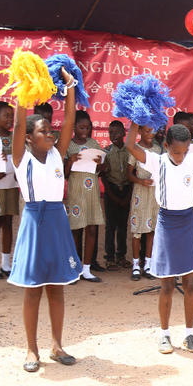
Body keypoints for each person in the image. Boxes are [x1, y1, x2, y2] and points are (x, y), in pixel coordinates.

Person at [125, 118, 193, 354]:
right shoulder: (156, 160)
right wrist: (134, 119)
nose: (180, 157)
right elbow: (131, 147)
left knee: (190, 282)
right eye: (176, 151)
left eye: (184, 152)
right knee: (167, 284)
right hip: (166, 222)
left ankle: (190, 334)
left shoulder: (192, 161)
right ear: (166, 146)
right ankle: (164, 335)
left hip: (186, 222)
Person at [10, 69, 82, 372]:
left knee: (57, 287)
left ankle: (56, 345)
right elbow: (17, 123)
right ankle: (31, 350)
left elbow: (68, 120)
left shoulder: (57, 153)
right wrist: (25, 88)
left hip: (56, 221)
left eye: (51, 131)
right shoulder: (20, 157)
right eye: (43, 131)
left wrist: (69, 87)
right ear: (28, 138)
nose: (51, 134)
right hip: (34, 221)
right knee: (33, 288)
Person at [65, 110, 105, 282]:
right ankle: (74, 268)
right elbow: (64, 174)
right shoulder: (67, 145)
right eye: (81, 127)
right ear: (74, 127)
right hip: (75, 192)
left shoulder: (94, 143)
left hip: (92, 192)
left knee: (91, 228)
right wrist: (70, 161)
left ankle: (87, 268)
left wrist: (100, 163)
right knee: (75, 229)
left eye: (88, 128)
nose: (85, 131)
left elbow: (102, 169)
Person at [126, 124, 161, 280]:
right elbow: (128, 174)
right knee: (137, 229)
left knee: (152, 228)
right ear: (139, 131)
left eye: (152, 130)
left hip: (154, 193)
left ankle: (148, 263)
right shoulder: (136, 149)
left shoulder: (158, 149)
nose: (150, 133)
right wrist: (140, 181)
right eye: (147, 130)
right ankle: (135, 264)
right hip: (141, 192)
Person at [102, 120, 132, 270]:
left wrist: (127, 196)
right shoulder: (106, 152)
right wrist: (111, 194)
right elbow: (103, 176)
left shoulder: (129, 151)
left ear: (124, 133)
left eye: (116, 132)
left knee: (123, 226)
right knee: (110, 226)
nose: (113, 135)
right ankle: (110, 258)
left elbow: (132, 173)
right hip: (111, 190)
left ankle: (121, 256)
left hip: (126, 190)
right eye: (110, 132)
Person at [0, 101, 19, 277]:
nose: (10, 119)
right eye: (6, 115)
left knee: (8, 223)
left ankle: (6, 263)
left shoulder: (14, 138)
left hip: (11, 185)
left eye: (12, 116)